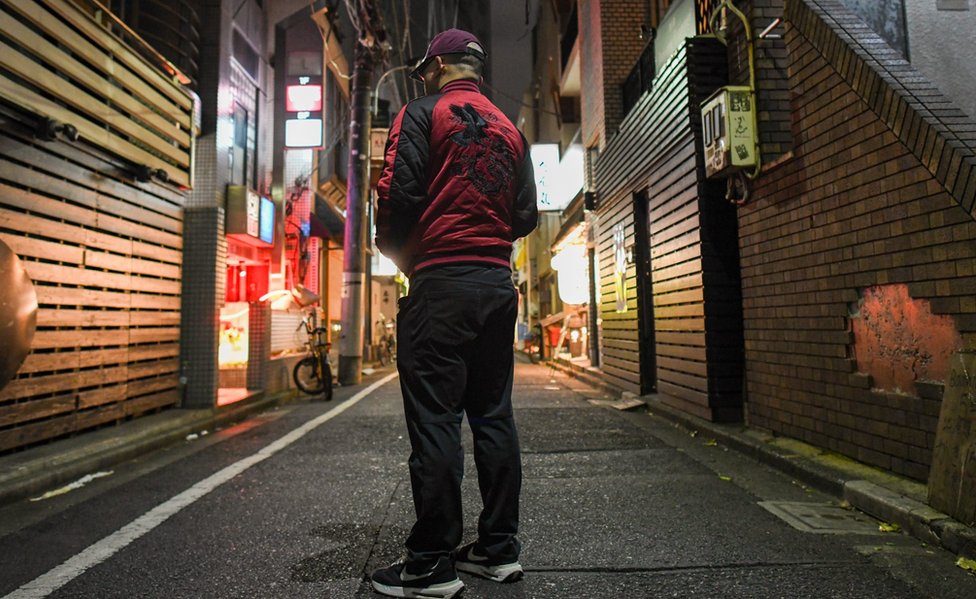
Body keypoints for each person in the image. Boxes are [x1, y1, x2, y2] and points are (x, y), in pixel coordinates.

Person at [370, 28, 538, 599]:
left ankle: (430, 563)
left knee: (436, 419)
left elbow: (395, 194)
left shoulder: (421, 114)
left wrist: (401, 252)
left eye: (426, 72)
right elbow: (525, 215)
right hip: (496, 282)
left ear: (439, 66)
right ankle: (497, 549)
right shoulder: (511, 127)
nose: (424, 79)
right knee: (493, 414)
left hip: (441, 280)